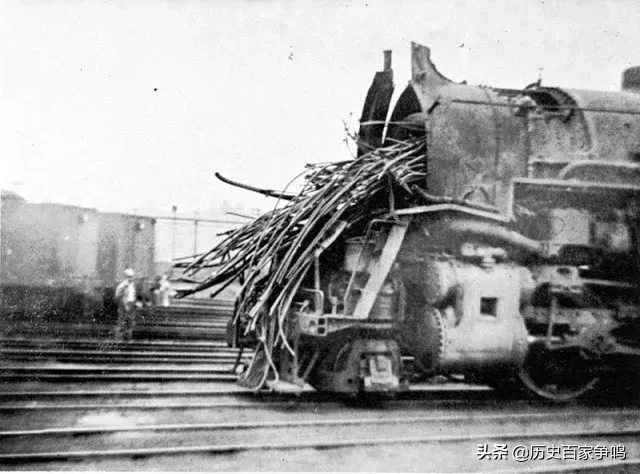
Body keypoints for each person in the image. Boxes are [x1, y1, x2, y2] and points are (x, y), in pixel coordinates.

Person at [114, 268, 137, 341]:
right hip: (123, 305)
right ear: (125, 277)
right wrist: (124, 304)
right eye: (129, 276)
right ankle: (119, 339)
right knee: (121, 322)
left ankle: (128, 339)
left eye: (131, 276)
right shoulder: (121, 286)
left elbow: (133, 295)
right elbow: (117, 296)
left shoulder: (132, 285)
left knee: (130, 322)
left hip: (131, 305)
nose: (130, 278)